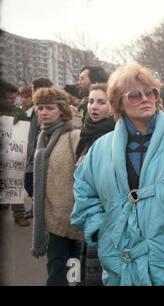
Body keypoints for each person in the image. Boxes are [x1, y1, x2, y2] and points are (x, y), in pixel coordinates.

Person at [71, 64, 164, 286]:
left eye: (150, 92)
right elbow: (84, 190)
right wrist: (98, 227)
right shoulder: (100, 149)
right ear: (118, 104)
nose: (145, 98)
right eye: (134, 94)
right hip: (118, 264)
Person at [30, 87, 83, 286]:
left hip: (74, 216)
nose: (43, 112)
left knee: (74, 267)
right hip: (52, 218)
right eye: (40, 107)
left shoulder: (74, 136)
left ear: (62, 110)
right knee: (56, 268)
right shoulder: (43, 137)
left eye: (50, 108)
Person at [74, 83, 115, 286]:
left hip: (109, 224)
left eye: (101, 102)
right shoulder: (87, 132)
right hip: (91, 221)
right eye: (91, 101)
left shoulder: (114, 136)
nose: (94, 107)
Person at [23, 77, 54, 220]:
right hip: (31, 152)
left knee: (34, 184)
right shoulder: (34, 109)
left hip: (41, 153)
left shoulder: (50, 108)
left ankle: (40, 210)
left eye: (33, 89)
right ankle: (36, 208)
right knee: (30, 185)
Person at [0, 80, 29, 226]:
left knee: (15, 184)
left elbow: (25, 134)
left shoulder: (19, 112)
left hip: (14, 156)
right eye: (8, 98)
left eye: (13, 98)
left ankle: (19, 215)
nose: (12, 101)